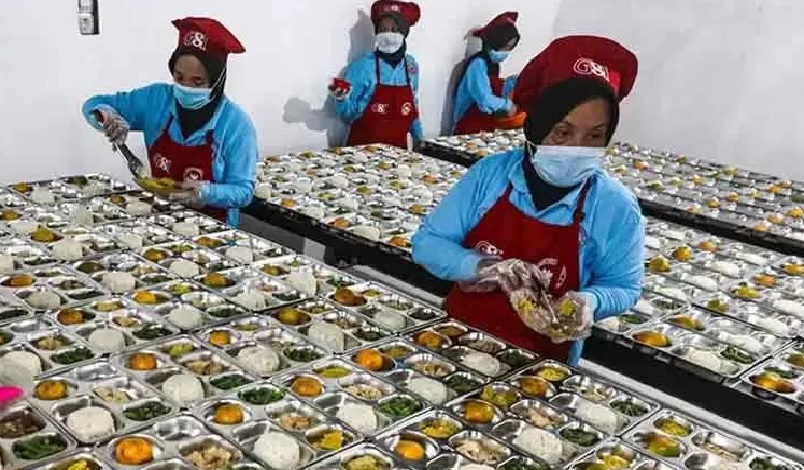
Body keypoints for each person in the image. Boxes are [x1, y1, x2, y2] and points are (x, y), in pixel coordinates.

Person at [412, 35, 645, 366]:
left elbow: (623, 286)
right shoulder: (490, 175)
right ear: (536, 126)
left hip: (542, 365)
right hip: (458, 342)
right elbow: (428, 243)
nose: (576, 148)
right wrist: (483, 267)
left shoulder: (615, 206)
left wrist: (591, 301)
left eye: (594, 136)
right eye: (562, 132)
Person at [82, 17, 258, 227]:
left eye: (197, 81)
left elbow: (243, 191)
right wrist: (107, 116)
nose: (186, 87)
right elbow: (93, 104)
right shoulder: (156, 100)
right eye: (179, 77)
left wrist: (205, 193)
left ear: (217, 80)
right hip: (161, 222)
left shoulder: (236, 125)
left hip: (214, 230)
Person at [330, 0, 423, 149]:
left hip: (398, 154)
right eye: (383, 29)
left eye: (394, 29)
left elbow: (413, 108)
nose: (388, 35)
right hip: (363, 153)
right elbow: (347, 115)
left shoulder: (410, 66)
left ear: (404, 32)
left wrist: (419, 138)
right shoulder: (363, 66)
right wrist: (341, 98)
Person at [452, 12, 523, 135]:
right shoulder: (477, 65)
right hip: (467, 128)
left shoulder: (493, 65)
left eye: (511, 48)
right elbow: (485, 100)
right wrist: (508, 106)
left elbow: (498, 89)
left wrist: (516, 82)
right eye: (506, 47)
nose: (507, 52)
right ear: (496, 43)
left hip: (485, 128)